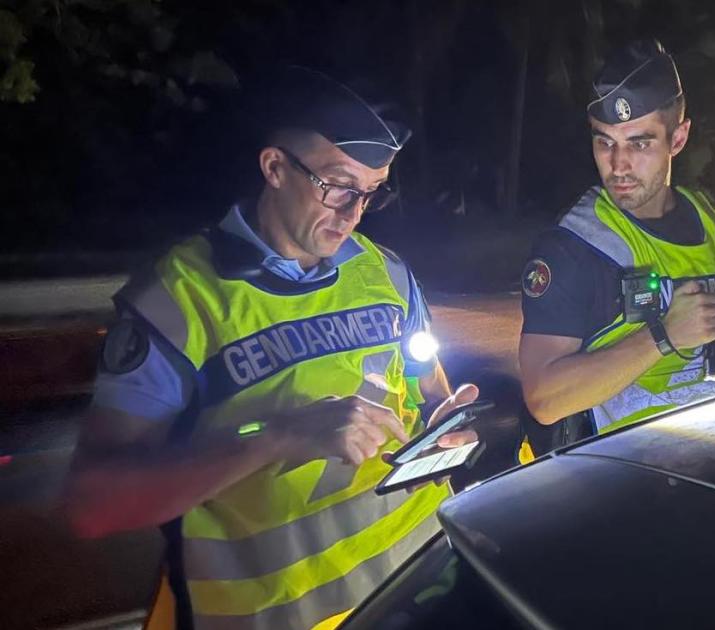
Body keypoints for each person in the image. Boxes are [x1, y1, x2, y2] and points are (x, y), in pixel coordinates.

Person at [63, 67, 479, 630]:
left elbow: (430, 389)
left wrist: (444, 424)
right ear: (275, 167)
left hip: (422, 591)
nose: (352, 215)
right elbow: (92, 506)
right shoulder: (179, 301)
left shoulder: (385, 272)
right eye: (337, 186)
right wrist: (279, 435)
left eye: (372, 193)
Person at [519, 40, 715, 440]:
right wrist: (663, 336)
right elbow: (544, 400)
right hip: (638, 483)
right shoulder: (573, 246)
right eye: (605, 142)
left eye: (639, 143)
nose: (618, 165)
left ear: (678, 138)